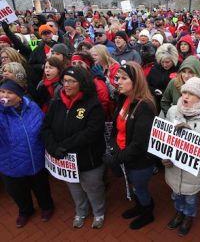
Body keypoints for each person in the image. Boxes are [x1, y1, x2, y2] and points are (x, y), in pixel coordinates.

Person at [41, 66, 106, 229]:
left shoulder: (93, 105)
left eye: (72, 81)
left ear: (82, 83)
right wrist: (53, 147)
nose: (67, 85)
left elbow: (91, 133)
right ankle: (81, 211)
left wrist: (63, 146)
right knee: (74, 187)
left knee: (93, 187)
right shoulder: (56, 103)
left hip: (88, 159)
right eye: (65, 81)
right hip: (65, 159)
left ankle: (99, 213)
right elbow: (46, 127)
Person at [103, 61, 157, 230]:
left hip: (139, 161)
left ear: (136, 81)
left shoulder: (145, 106)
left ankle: (147, 212)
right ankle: (139, 206)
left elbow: (139, 144)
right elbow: (115, 128)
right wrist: (113, 147)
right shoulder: (123, 98)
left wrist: (116, 158)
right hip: (124, 156)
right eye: (117, 77)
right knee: (133, 186)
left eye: (123, 78)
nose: (117, 81)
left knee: (140, 187)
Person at [162, 77, 200, 236]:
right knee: (177, 195)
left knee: (191, 199)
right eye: (184, 92)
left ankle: (188, 217)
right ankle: (179, 213)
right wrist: (164, 156)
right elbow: (166, 137)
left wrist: (189, 133)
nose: (185, 96)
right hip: (174, 167)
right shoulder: (173, 110)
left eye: (190, 93)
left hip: (193, 171)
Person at [0, 79, 54, 228]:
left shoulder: (32, 106)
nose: (4, 95)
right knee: (17, 191)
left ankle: (47, 207)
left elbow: (43, 126)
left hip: (35, 158)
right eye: (2, 91)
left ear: (18, 95)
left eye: (9, 92)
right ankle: (25, 211)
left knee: (41, 187)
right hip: (10, 163)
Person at [147, 43, 179, 114]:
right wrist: (154, 90)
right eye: (162, 62)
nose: (165, 65)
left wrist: (164, 92)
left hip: (171, 105)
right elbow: (147, 84)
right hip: (155, 102)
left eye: (167, 62)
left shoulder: (179, 69)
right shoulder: (155, 68)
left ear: (173, 60)